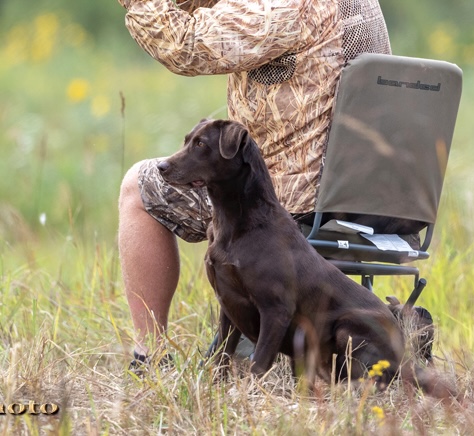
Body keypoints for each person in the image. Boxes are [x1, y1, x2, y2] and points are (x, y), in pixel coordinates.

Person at [115, 0, 392, 370]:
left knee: (139, 185)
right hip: (362, 197)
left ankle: (150, 355)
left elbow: (186, 45)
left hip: (283, 203)